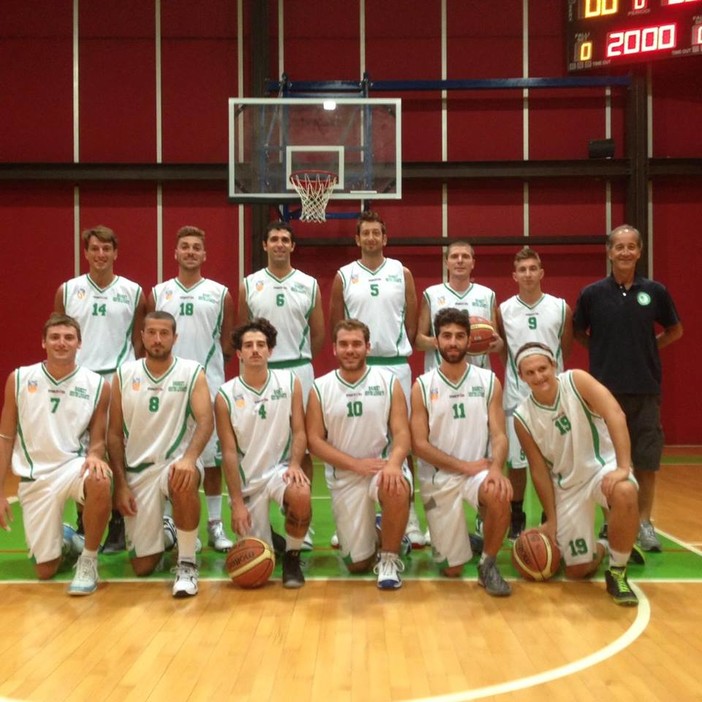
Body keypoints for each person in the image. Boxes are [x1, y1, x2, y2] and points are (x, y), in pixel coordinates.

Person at [573, 224, 683, 552]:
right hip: (605, 393)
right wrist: (604, 349)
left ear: (639, 252)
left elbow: (675, 330)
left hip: (645, 388)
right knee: (608, 461)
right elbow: (578, 332)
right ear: (609, 252)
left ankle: (645, 523)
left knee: (645, 461)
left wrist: (647, 347)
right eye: (618, 247)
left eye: (630, 247)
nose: (624, 252)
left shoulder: (656, 292)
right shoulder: (592, 294)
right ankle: (611, 522)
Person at [513, 342, 643, 606]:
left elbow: (615, 413)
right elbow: (538, 470)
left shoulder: (577, 381)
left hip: (601, 468)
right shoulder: (522, 416)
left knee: (625, 490)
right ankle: (607, 545)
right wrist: (551, 518)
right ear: (521, 377)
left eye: (542, 369)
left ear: (554, 365)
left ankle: (617, 572)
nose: (538, 377)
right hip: (567, 486)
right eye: (530, 373)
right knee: (576, 571)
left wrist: (623, 467)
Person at [328, 210, 424, 547]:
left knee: (402, 439)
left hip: (395, 363)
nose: (370, 238)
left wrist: (398, 345)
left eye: (376, 233)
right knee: (353, 438)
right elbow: (335, 323)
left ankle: (409, 518)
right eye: (365, 233)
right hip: (359, 366)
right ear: (357, 239)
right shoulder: (344, 275)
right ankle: (349, 518)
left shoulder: (402, 273)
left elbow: (412, 321)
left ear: (385, 238)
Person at [0, 314, 112, 595]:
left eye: (69, 338)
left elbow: (97, 441)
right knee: (45, 571)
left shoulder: (98, 385)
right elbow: (5, 437)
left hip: (71, 467)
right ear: (43, 342)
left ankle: (88, 561)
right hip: (34, 476)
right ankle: (67, 539)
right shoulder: (19, 379)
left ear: (79, 344)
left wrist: (97, 456)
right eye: (55, 337)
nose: (62, 343)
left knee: (99, 478)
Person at [107, 311, 214, 598]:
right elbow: (114, 435)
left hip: (176, 463)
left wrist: (190, 459)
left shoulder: (192, 372)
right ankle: (169, 530)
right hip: (138, 470)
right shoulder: (124, 375)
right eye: (151, 333)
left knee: (182, 478)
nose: (157, 339)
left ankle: (187, 562)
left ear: (175, 338)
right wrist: (121, 484)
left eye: (164, 333)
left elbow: (206, 421)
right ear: (141, 337)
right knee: (142, 566)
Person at [54, 224, 147, 553]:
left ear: (115, 253)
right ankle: (85, 523)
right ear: (86, 253)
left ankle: (120, 523)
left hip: (119, 379)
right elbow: (60, 334)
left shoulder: (134, 291)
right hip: (80, 382)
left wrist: (127, 371)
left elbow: (140, 337)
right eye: (94, 249)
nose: (100, 254)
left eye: (106, 249)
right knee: (83, 454)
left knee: (118, 451)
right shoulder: (68, 290)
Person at [410, 308, 512, 597]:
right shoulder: (422, 386)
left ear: (469, 340)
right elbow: (419, 445)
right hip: (439, 479)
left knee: (499, 491)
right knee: (452, 570)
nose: (453, 342)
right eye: (446, 336)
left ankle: (488, 563)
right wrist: (464, 466)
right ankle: (463, 539)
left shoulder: (488, 381)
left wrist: (495, 469)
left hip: (477, 473)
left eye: (459, 336)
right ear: (437, 341)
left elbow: (499, 435)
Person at [306, 319, 412, 590]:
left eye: (356, 344)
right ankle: (384, 528)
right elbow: (315, 441)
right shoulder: (320, 387)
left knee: (396, 485)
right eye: (344, 344)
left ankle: (389, 558)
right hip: (345, 474)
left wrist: (394, 464)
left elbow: (402, 433)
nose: (350, 350)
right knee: (356, 565)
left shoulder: (388, 382)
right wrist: (355, 465)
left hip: (381, 467)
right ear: (334, 349)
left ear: (368, 347)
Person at [238, 220, 323, 550]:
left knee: (301, 450)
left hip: (298, 369)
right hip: (261, 371)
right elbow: (245, 331)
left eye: (285, 239)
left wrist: (299, 361)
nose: (279, 244)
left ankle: (302, 520)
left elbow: (317, 333)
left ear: (292, 246)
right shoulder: (250, 284)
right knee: (259, 445)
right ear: (265, 246)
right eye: (273, 239)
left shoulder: (308, 283)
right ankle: (263, 520)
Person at [149, 226, 235, 552]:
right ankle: (173, 519)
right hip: (168, 385)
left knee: (211, 459)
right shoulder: (159, 293)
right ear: (175, 253)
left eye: (196, 247)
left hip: (208, 382)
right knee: (172, 453)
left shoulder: (220, 293)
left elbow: (227, 342)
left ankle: (214, 523)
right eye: (184, 246)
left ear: (204, 254)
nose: (190, 252)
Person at [215, 318, 311, 588]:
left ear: (270, 350)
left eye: (261, 344)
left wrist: (294, 464)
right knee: (254, 570)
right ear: (239, 353)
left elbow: (300, 431)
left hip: (280, 471)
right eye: (248, 345)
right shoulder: (225, 394)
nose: (255, 350)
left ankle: (292, 557)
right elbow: (229, 452)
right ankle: (271, 537)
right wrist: (236, 503)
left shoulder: (290, 382)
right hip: (248, 481)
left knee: (301, 493)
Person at [496, 246, 572, 539]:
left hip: (554, 398)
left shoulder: (560, 307)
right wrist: (519, 378)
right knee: (517, 463)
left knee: (554, 461)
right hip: (517, 398)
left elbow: (565, 348)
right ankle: (517, 516)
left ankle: (549, 516)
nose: (528, 274)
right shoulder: (503, 310)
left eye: (532, 268)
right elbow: (504, 351)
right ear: (514, 275)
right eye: (522, 269)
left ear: (541, 272)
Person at [416, 240, 501, 373]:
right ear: (446, 262)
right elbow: (419, 342)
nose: (460, 260)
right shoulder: (431, 294)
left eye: (465, 256)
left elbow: (498, 343)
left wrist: (484, 341)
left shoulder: (487, 295)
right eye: (454, 256)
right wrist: (450, 341)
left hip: (478, 374)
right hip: (440, 374)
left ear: (473, 263)